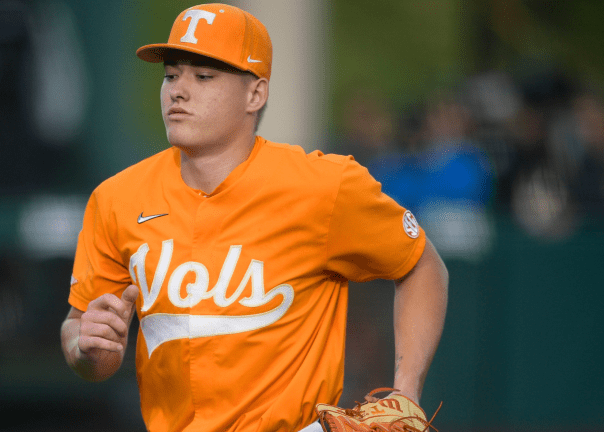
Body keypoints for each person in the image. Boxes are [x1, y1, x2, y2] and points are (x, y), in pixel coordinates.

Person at [60, 4, 448, 432]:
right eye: (171, 74)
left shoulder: (324, 186)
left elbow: (421, 264)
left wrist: (405, 391)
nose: (178, 90)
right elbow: (84, 338)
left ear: (255, 94)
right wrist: (86, 346)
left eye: (203, 76)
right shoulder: (116, 198)